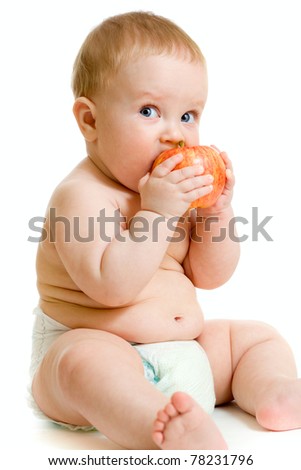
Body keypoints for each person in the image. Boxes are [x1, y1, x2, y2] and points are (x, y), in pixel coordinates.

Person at [29, 11, 301, 450]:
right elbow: (111, 287)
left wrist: (216, 213)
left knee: (254, 338)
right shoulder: (80, 196)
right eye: (149, 111)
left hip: (184, 349)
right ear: (90, 121)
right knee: (82, 362)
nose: (175, 136)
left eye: (189, 115)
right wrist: (155, 215)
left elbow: (209, 276)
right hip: (97, 359)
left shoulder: (172, 194)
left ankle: (275, 391)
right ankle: (154, 423)